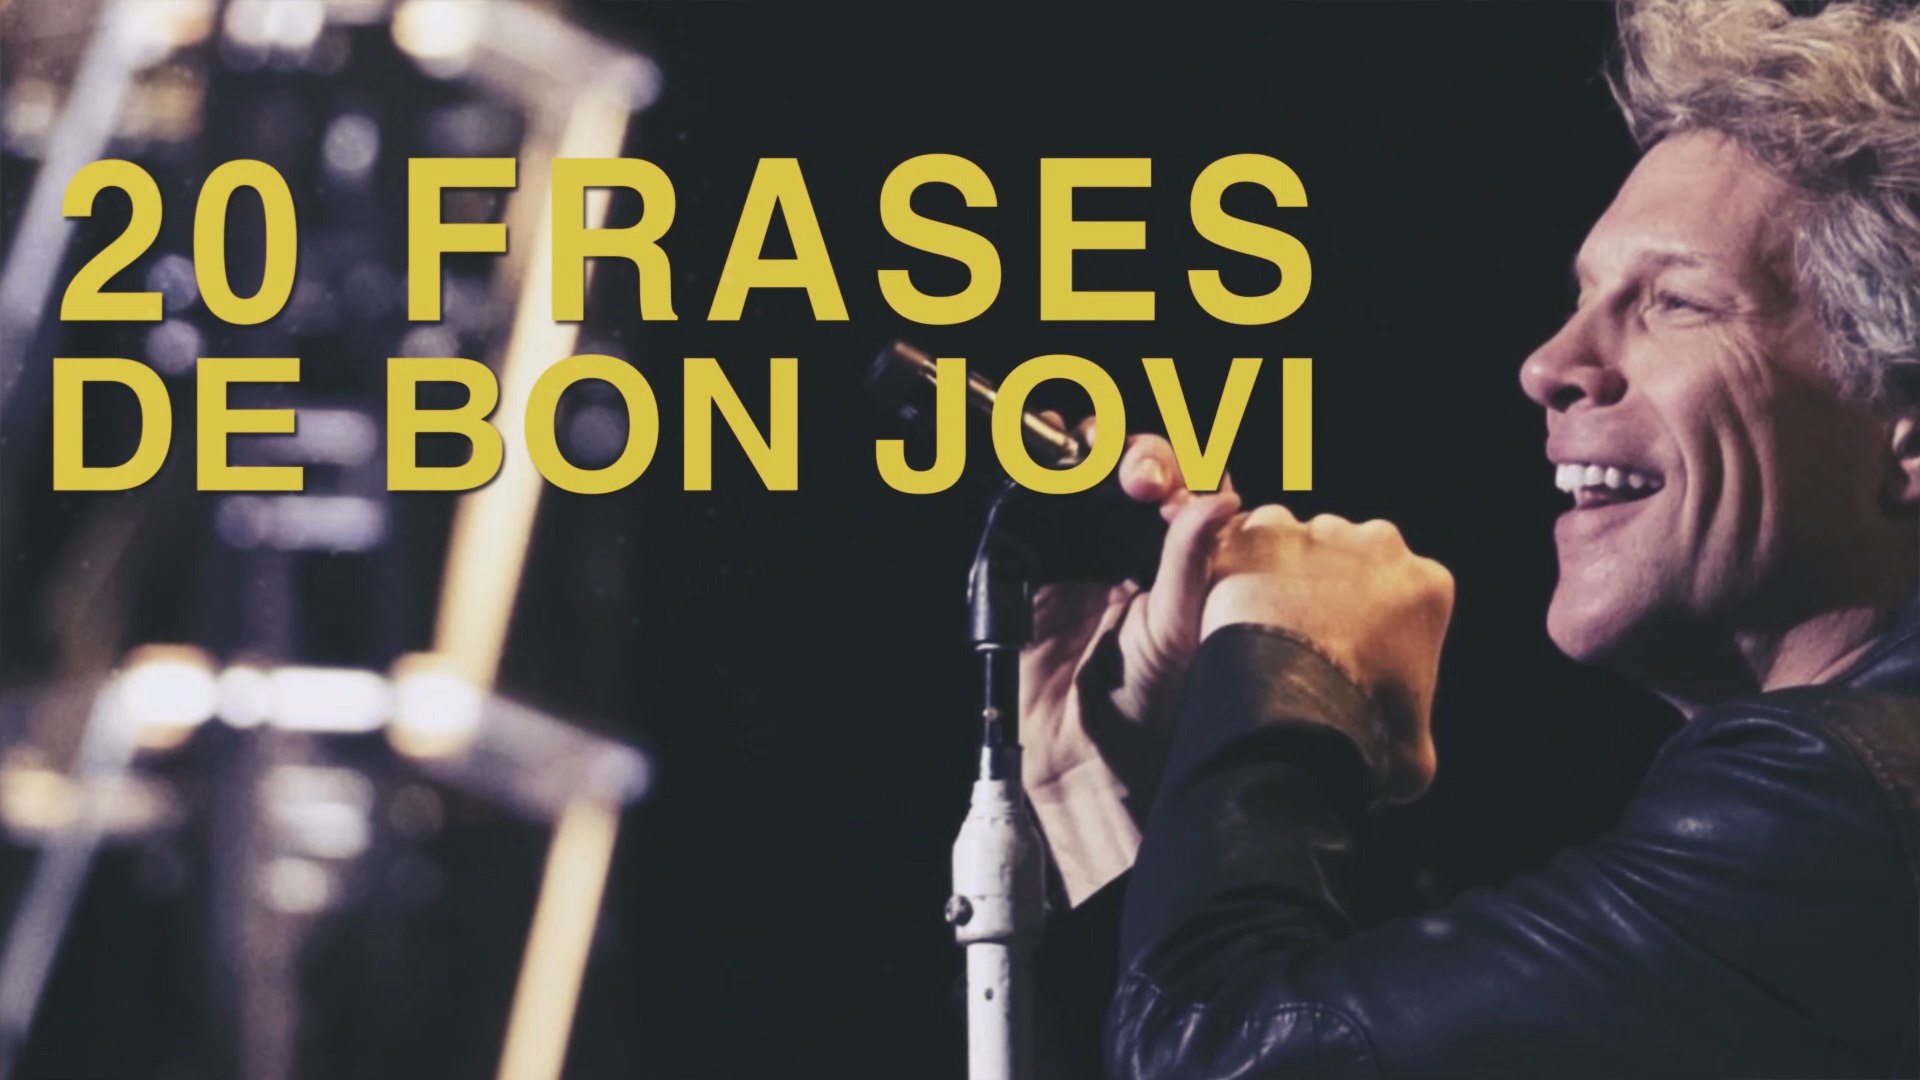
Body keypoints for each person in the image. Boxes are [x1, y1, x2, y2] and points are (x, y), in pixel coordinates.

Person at [1022, 1, 1920, 1075]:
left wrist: (1289, 671)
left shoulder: (1830, 809)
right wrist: (1098, 791)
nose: (1548, 365)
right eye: (1583, 297)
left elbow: (1216, 1059)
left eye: (1677, 303)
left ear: (1904, 429)